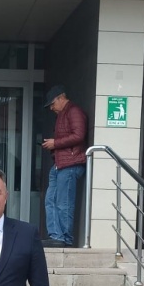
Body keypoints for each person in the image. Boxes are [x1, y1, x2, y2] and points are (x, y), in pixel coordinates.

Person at [42, 84, 88, 248]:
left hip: (70, 164)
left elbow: (79, 135)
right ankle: (56, 236)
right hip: (60, 164)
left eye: (52, 104)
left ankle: (64, 239)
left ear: (61, 98)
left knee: (63, 203)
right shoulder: (65, 113)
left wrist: (55, 143)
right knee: (50, 200)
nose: (51, 108)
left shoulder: (74, 111)